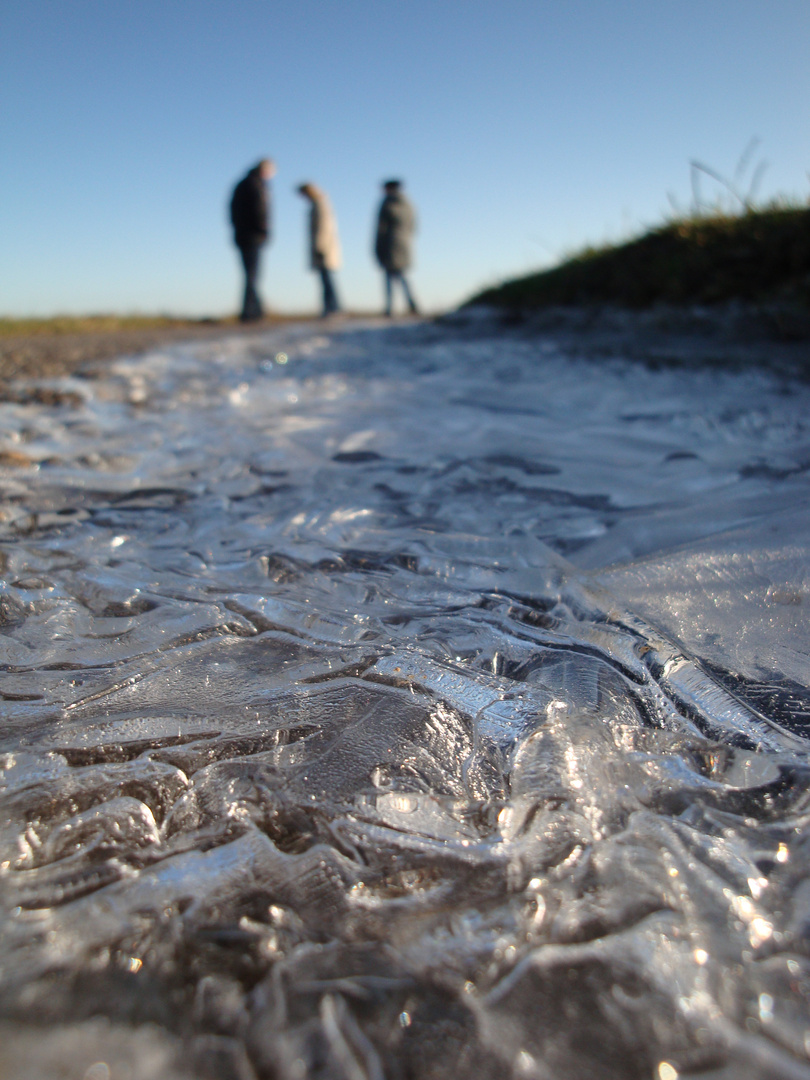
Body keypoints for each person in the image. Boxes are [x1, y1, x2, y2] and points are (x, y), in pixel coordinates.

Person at [229, 158, 276, 321]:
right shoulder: (256, 185)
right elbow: (260, 210)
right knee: (252, 275)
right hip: (252, 236)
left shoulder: (242, 184)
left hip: (242, 235)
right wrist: (264, 230)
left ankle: (255, 310)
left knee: (250, 274)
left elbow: (232, 211)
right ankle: (250, 312)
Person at [374, 179, 419, 316]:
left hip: (390, 244)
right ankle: (412, 305)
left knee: (390, 276)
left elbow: (381, 227)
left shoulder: (387, 203)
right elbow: (414, 226)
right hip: (404, 243)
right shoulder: (408, 204)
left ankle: (390, 309)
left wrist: (378, 246)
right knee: (401, 275)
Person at [296, 182, 342, 317]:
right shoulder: (317, 204)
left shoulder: (320, 204)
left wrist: (319, 246)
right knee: (325, 280)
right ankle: (330, 308)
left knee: (327, 280)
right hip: (322, 247)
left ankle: (333, 308)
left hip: (324, 248)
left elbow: (324, 227)